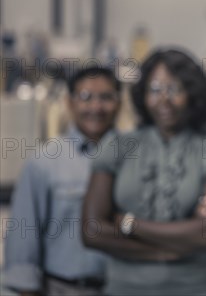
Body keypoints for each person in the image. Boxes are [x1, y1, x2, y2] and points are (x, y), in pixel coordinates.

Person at [82, 49, 206, 295]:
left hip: (197, 288)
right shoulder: (117, 146)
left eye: (175, 89)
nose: (164, 99)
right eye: (154, 90)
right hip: (125, 289)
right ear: (142, 95)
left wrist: (127, 222)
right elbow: (92, 231)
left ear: (192, 94)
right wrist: (166, 249)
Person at [4, 67, 121, 296]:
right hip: (63, 289)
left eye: (106, 97)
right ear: (69, 103)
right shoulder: (44, 162)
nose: (96, 107)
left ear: (119, 103)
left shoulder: (134, 157)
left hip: (124, 287)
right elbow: (24, 241)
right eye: (86, 97)